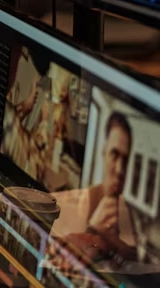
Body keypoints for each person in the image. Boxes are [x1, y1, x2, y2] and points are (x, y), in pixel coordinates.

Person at [51, 112, 137, 262]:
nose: (119, 169)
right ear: (104, 154)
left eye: (125, 159)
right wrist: (92, 233)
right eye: (114, 155)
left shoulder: (129, 217)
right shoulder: (69, 206)